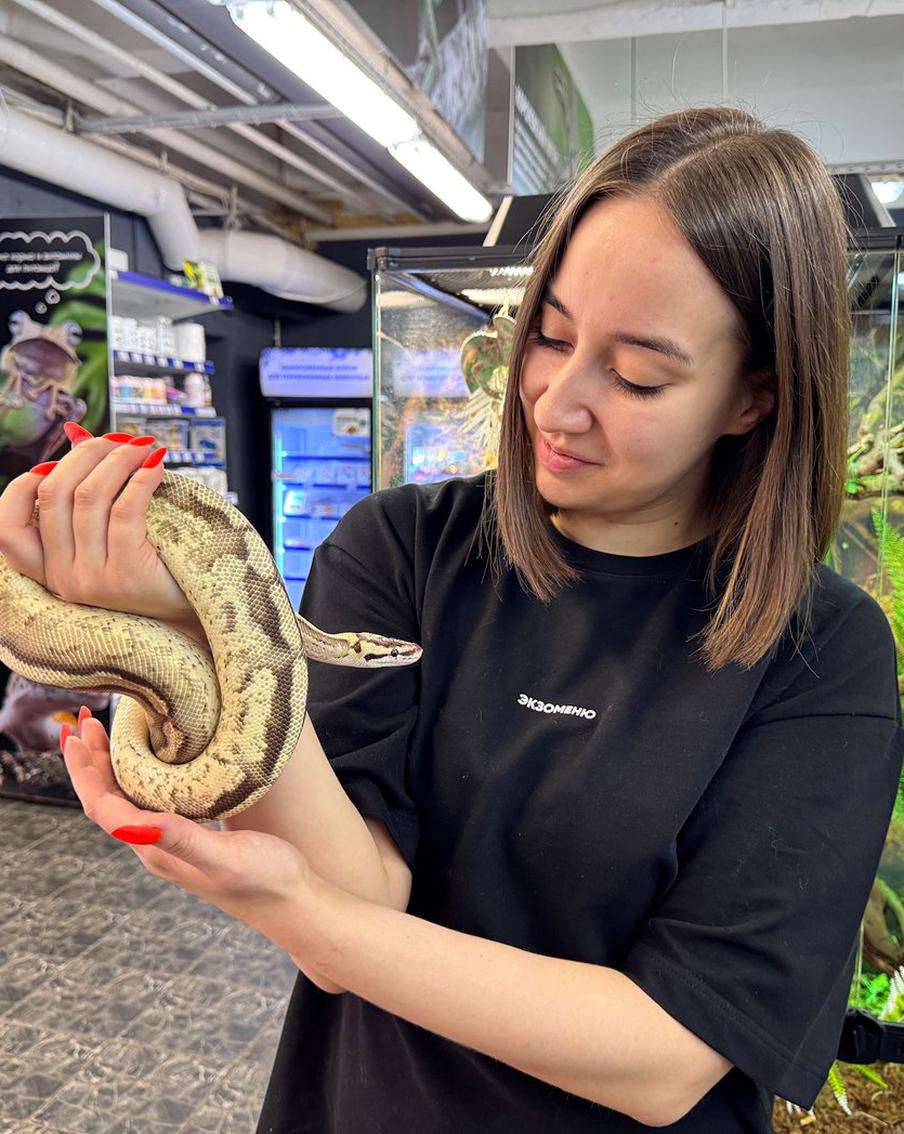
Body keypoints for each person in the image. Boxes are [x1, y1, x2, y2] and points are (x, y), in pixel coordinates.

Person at [0, 104, 901, 1133]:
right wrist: (195, 627)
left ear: (753, 399)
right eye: (548, 336)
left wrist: (312, 923)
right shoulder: (402, 546)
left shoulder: (818, 653)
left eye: (639, 374)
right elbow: (363, 883)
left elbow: (665, 1059)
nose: (556, 402)